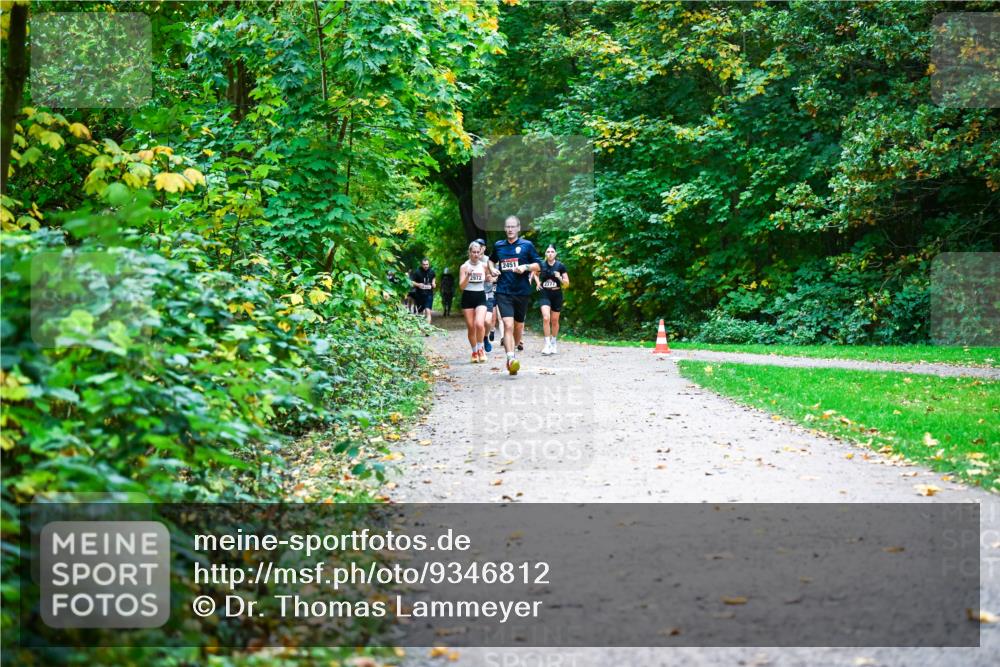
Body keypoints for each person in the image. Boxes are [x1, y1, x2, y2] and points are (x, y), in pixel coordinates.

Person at [493, 215, 541, 375]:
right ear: (505, 228)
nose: (510, 229)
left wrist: (525, 267)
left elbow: (538, 265)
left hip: (521, 292)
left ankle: (514, 349)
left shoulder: (527, 245)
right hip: (503, 291)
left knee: (518, 326)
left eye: (513, 226)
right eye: (508, 227)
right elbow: (491, 261)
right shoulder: (499, 246)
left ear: (519, 228)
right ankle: (510, 357)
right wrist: (492, 269)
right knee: (508, 325)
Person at [533, 244, 569, 355]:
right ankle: (547, 344)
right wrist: (538, 282)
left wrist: (559, 277)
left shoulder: (560, 266)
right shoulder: (541, 265)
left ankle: (553, 342)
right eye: (548, 252)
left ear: (555, 254)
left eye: (552, 251)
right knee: (545, 317)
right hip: (545, 293)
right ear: (545, 254)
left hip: (557, 294)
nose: (550, 253)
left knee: (554, 321)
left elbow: (567, 284)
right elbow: (535, 273)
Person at [459, 242, 489, 363]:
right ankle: (474, 351)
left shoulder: (484, 266)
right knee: (471, 327)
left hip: (480, 296)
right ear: (469, 252)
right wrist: (468, 276)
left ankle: (481, 349)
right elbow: (461, 286)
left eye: (478, 252)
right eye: (474, 252)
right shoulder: (464, 267)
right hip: (467, 297)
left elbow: (489, 278)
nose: (476, 254)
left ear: (480, 252)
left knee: (479, 324)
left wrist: (493, 277)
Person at [477, 238, 500, 354]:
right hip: (476, 295)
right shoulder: (471, 261)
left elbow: (497, 276)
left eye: (479, 247)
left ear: (484, 248)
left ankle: (485, 338)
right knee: (478, 323)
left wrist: (491, 278)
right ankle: (479, 346)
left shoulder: (490, 261)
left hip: (488, 294)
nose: (477, 250)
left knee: (487, 321)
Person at [410, 258, 436, 324]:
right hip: (419, 295)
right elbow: (412, 282)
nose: (425, 266)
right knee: (420, 312)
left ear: (429, 264)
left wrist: (433, 283)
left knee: (428, 311)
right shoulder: (417, 272)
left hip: (429, 294)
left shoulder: (432, 271)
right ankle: (422, 327)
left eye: (427, 264)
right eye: (424, 264)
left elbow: (433, 278)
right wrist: (418, 284)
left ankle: (427, 329)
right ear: (421, 265)